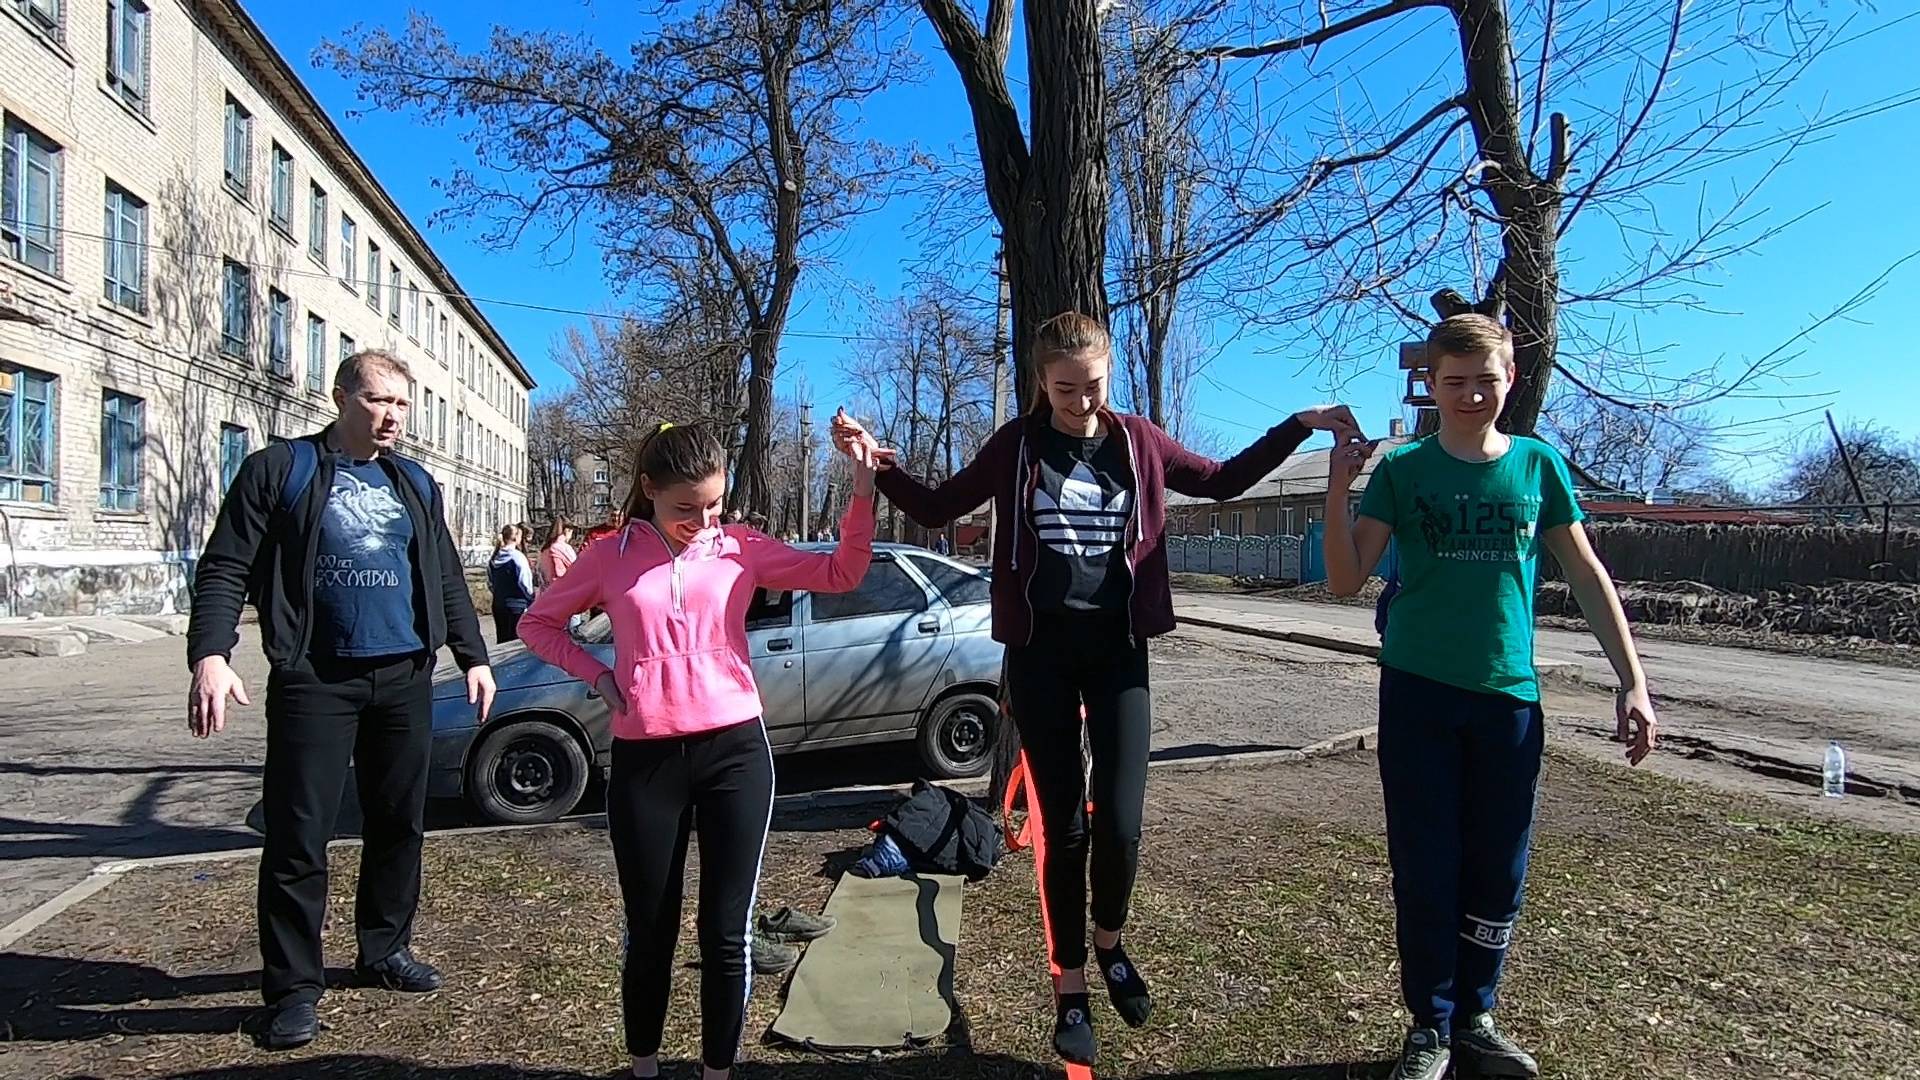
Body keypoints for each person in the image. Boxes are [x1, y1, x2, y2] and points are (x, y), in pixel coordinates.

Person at [830, 311, 1361, 1067]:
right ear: (1042, 384)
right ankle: (1072, 983)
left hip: (1118, 650)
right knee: (1065, 829)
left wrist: (1298, 424)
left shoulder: (1137, 440)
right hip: (1042, 655)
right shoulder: (1017, 446)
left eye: (1094, 385)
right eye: (1065, 388)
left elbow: (1223, 481)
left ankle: (1111, 943)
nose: (1081, 401)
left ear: (1110, 375)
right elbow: (940, 507)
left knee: (1121, 820)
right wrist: (874, 465)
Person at [1323, 314, 1659, 1080]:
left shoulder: (1539, 467)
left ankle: (1476, 1014)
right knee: (1427, 860)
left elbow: (1586, 576)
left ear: (1511, 379)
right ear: (1431, 386)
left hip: (1509, 697)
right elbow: (1345, 579)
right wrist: (1342, 482)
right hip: (1418, 693)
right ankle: (1428, 1027)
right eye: (1454, 381)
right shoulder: (1404, 471)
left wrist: (1633, 681)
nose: (1471, 394)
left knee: (1498, 863)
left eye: (1486, 379)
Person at [517, 421, 879, 1080]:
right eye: (686, 507)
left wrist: (861, 481)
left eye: (712, 504)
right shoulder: (609, 555)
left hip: (734, 753)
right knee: (650, 933)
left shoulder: (739, 547)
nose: (701, 520)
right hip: (645, 761)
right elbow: (536, 623)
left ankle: (718, 1072)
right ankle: (645, 1068)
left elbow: (843, 569)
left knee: (726, 933)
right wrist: (598, 675)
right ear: (649, 489)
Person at [185, 349, 496, 1051]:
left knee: (398, 824)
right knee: (299, 838)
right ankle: (293, 991)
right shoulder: (280, 469)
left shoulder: (414, 481)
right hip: (316, 680)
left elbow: (444, 573)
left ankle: (384, 949)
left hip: (402, 680)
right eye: (377, 400)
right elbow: (226, 566)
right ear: (340, 397)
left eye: (401, 404)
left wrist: (472, 656)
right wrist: (210, 653)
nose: (391, 416)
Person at [488, 524, 536, 643]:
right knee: (516, 643)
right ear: (516, 538)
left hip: (499, 604)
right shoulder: (517, 557)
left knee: (502, 641)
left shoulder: (494, 557)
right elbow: (524, 583)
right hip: (517, 605)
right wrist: (531, 598)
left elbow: (490, 583)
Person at [538, 517, 579, 588]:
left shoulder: (545, 549)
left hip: (546, 591)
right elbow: (577, 568)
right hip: (563, 589)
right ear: (567, 530)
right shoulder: (564, 548)